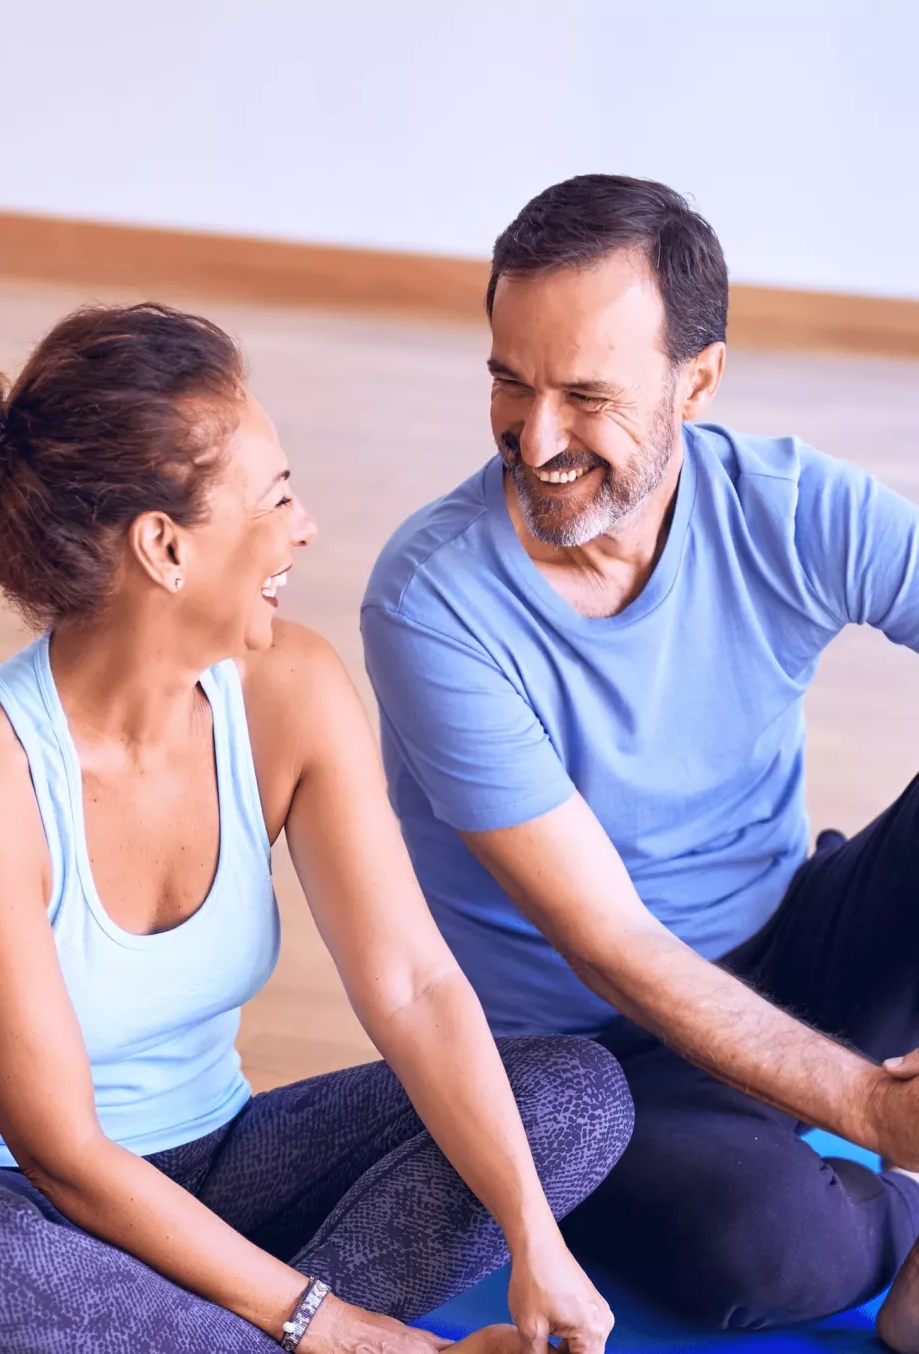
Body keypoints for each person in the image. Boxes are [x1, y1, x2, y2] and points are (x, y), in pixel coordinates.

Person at [0, 303, 634, 1354]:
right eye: (277, 496)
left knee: (573, 1101)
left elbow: (414, 985)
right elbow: (63, 1154)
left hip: (216, 1165)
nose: (304, 527)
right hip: (10, 1200)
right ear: (164, 546)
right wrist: (340, 1327)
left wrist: (535, 1238)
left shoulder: (290, 689)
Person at [361, 174, 919, 1340]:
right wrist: (872, 1113)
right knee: (774, 1249)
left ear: (695, 382)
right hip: (597, 1057)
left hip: (788, 941)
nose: (536, 439)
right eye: (509, 383)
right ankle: (891, 1210)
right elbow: (610, 946)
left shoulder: (791, 506)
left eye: (585, 394)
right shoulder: (431, 604)